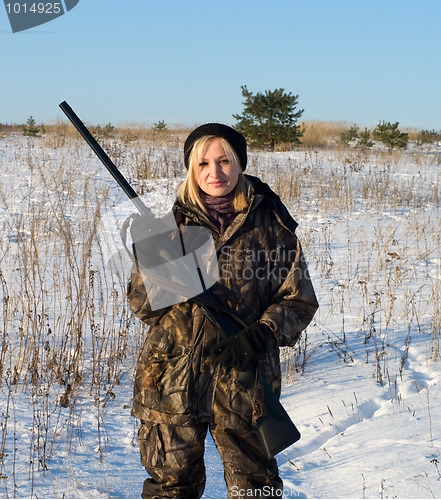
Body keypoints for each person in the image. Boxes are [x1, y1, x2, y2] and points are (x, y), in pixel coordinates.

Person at [127, 123, 319, 498]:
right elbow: (144, 308)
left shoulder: (272, 228)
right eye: (203, 164)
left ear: (240, 164)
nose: (214, 173)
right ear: (191, 170)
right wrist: (150, 257)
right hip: (172, 380)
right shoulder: (171, 229)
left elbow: (299, 300)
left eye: (224, 161)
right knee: (170, 488)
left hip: (245, 381)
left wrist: (259, 335)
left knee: (256, 489)